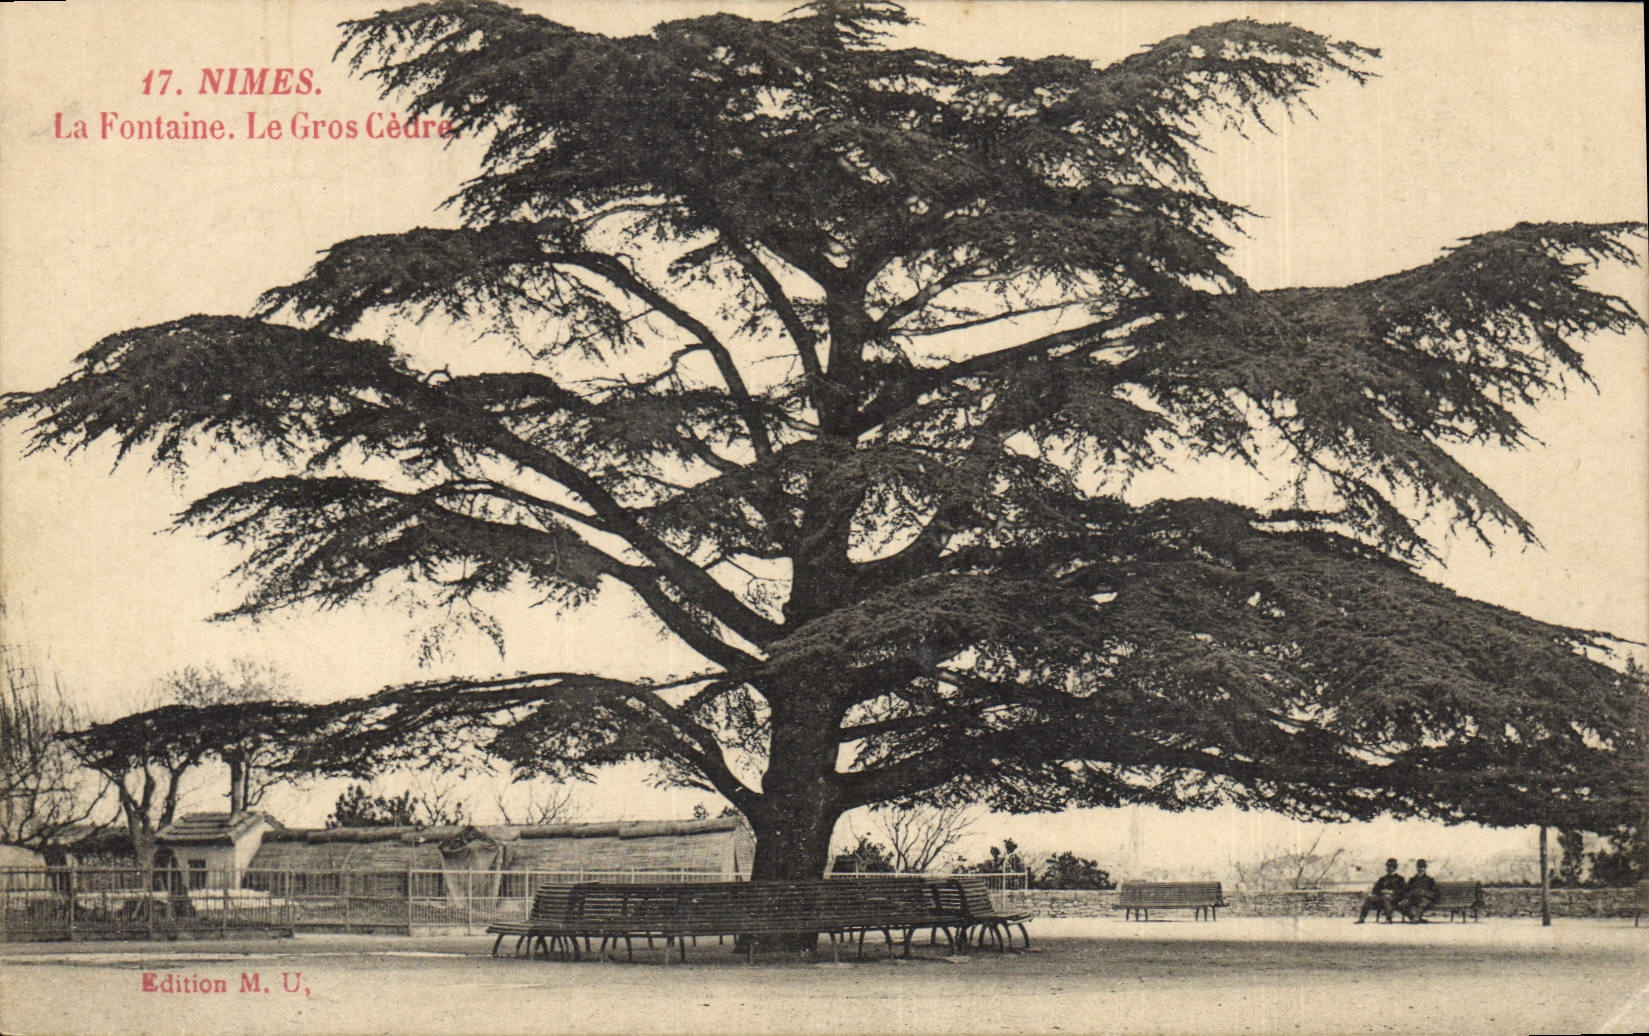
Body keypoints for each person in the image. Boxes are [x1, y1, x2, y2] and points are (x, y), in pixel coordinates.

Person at [1356, 858, 1406, 923]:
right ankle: (1362, 918)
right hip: (1381, 897)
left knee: (1386, 897)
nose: (1388, 868)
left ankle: (1388, 919)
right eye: (1388, 866)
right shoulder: (1382, 879)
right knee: (1369, 898)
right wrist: (1381, 892)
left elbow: (1403, 891)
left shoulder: (1400, 879)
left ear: (1395, 868)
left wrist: (1391, 892)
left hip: (1394, 898)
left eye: (1391, 867)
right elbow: (1375, 890)